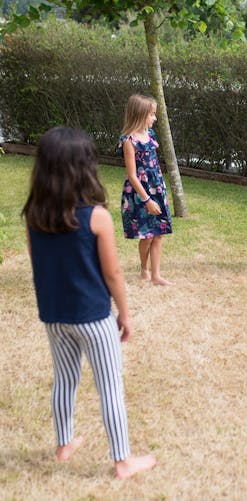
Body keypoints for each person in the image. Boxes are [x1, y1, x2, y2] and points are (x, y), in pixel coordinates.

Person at [22, 127, 157, 479]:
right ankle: (122, 461)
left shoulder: (34, 216)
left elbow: (40, 265)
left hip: (54, 316)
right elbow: (112, 273)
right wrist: (124, 313)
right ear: (85, 168)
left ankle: (64, 445)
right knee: (109, 386)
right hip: (93, 317)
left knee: (64, 380)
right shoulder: (96, 216)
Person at [118, 94, 173, 285]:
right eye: (152, 114)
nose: (154, 118)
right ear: (141, 115)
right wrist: (147, 200)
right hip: (140, 192)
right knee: (147, 235)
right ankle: (144, 269)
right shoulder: (128, 141)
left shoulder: (150, 135)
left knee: (158, 232)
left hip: (156, 187)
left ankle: (156, 275)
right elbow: (132, 176)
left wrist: (158, 190)